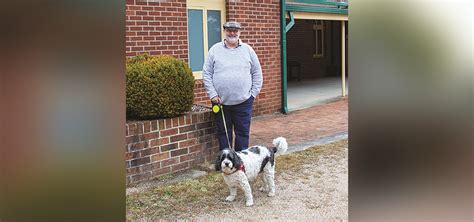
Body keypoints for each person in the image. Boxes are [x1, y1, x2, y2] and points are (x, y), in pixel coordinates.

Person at [202, 21, 263, 151]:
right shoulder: (214, 50)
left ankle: (240, 163)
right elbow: (206, 73)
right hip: (220, 102)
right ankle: (226, 162)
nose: (232, 33)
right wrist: (212, 94)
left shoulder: (248, 50)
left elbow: (257, 72)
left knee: (242, 133)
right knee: (223, 133)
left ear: (239, 32)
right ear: (224, 31)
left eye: (235, 30)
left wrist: (253, 94)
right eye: (229, 30)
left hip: (244, 102)